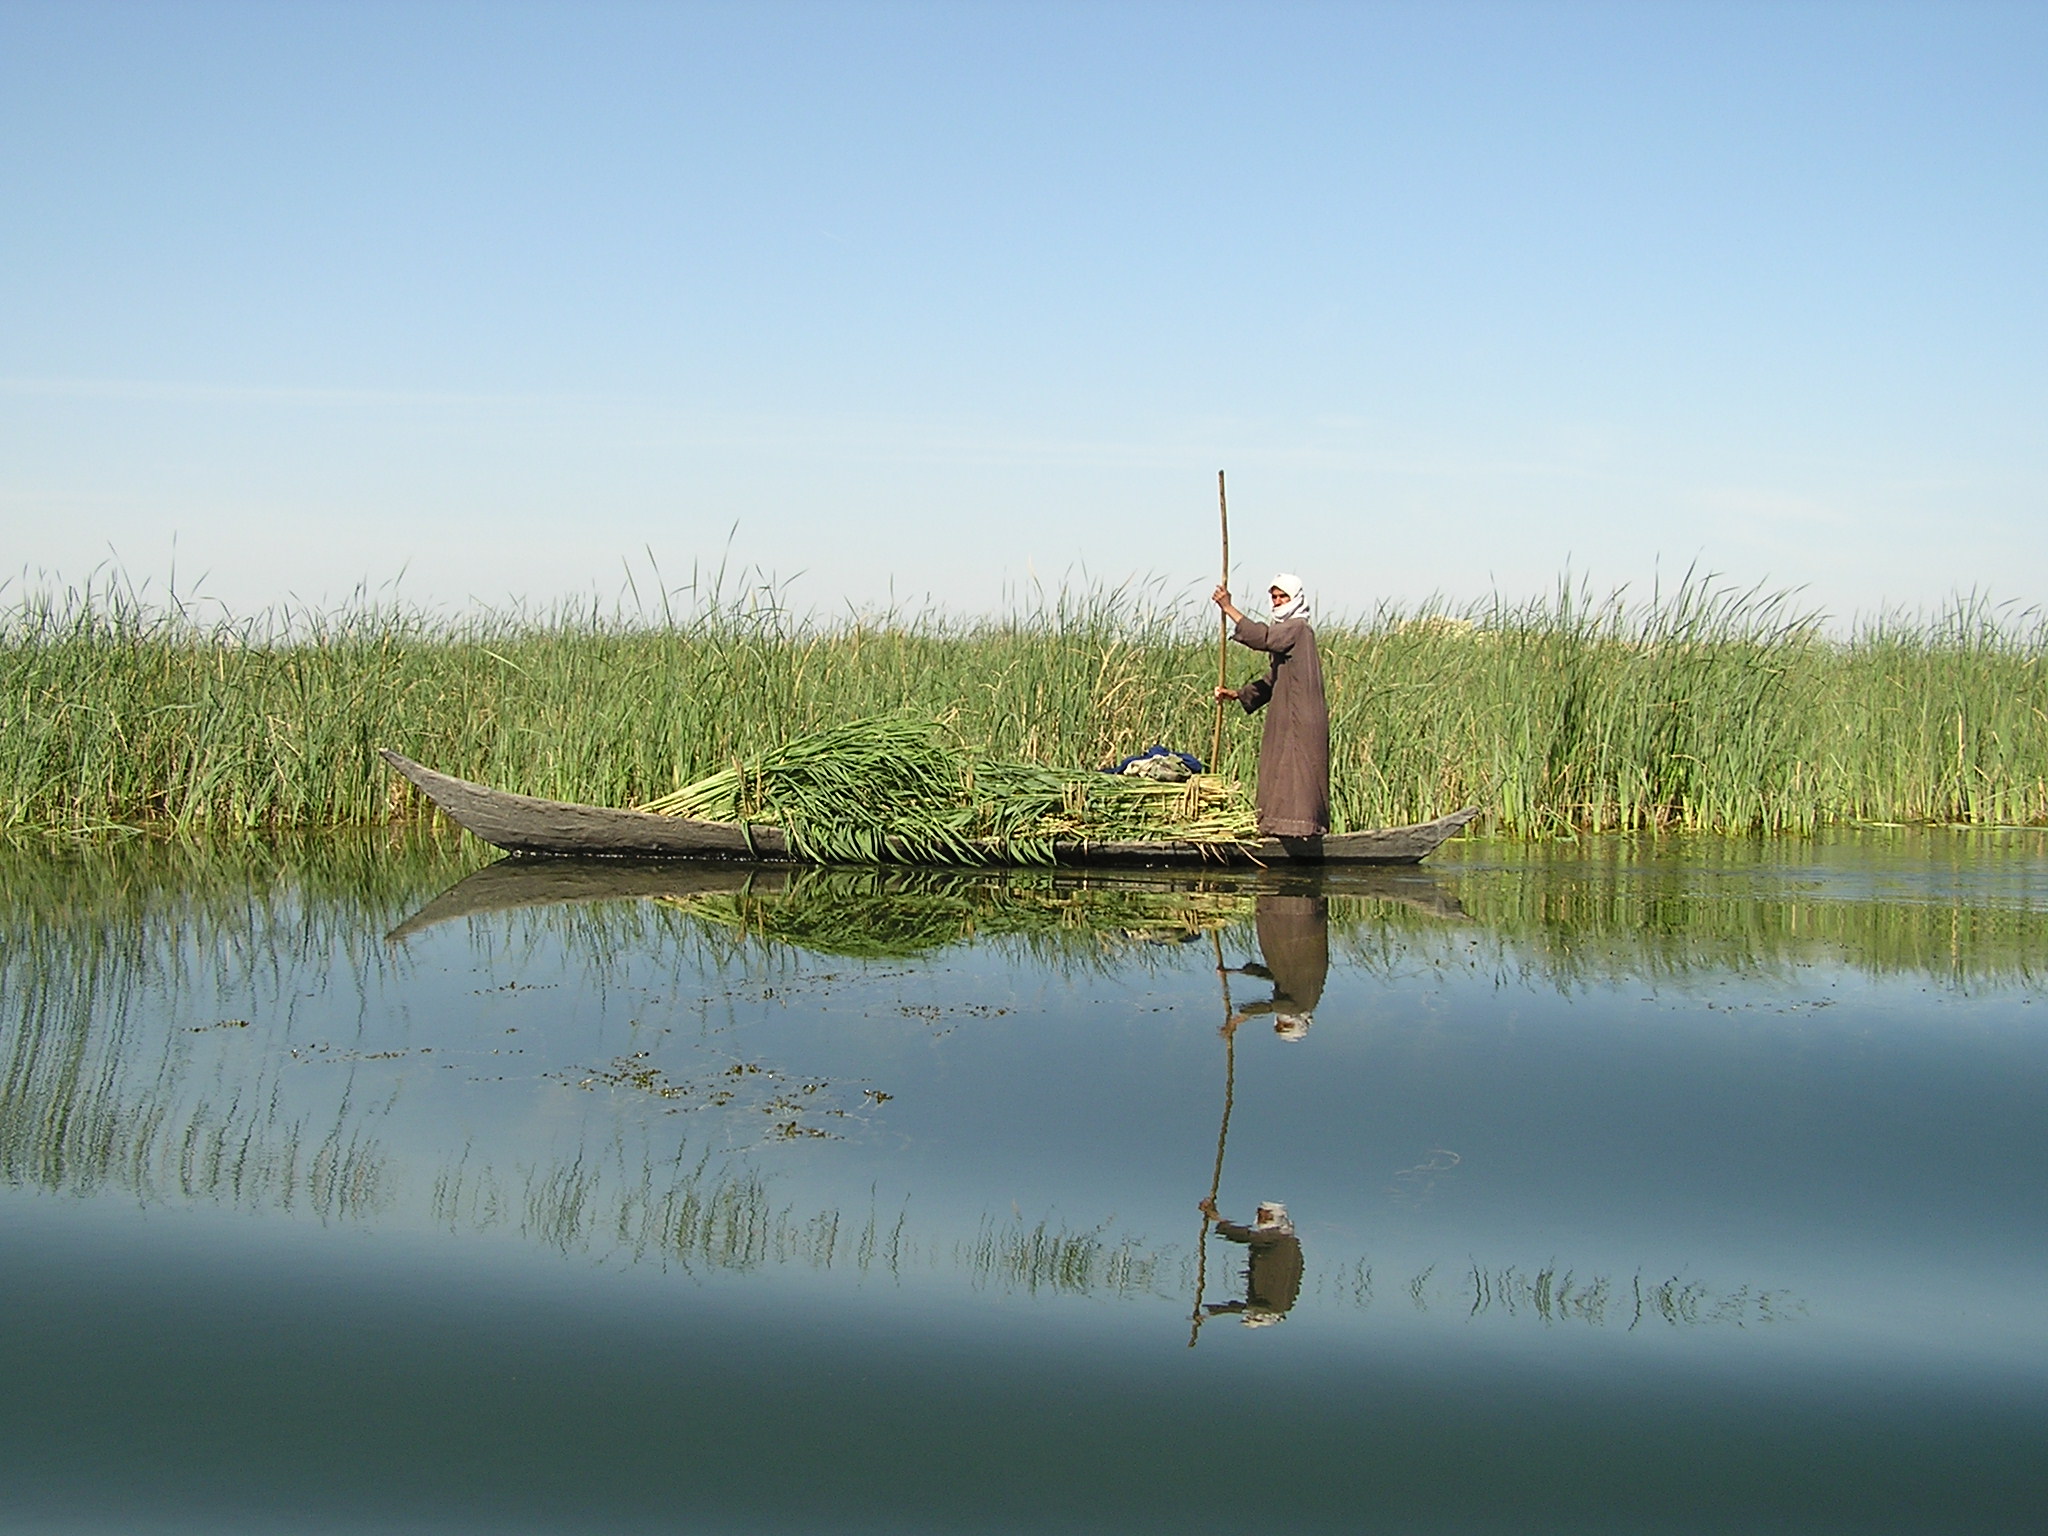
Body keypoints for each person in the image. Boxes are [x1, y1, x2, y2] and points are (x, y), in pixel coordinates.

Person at [1212, 574, 1330, 838]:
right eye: (1274, 597)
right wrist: (1239, 694)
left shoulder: (1298, 628)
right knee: (1279, 768)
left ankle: (1300, 830)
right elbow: (1272, 679)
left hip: (1301, 716)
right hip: (1288, 713)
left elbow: (1264, 637)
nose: (1277, 602)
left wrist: (1228, 608)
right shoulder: (1288, 633)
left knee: (1298, 771)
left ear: (1295, 599)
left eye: (1283, 597)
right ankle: (1277, 829)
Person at [1219, 891, 1329, 1041]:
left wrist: (1238, 971)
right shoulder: (1299, 1007)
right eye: (1286, 1025)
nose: (1281, 1021)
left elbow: (1275, 975)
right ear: (1299, 1022)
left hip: (1302, 913)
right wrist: (1239, 1018)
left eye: (1279, 1025)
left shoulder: (1301, 995)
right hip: (1295, 919)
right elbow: (1269, 1007)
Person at [1196, 1196, 1304, 1327]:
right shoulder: (1284, 1239)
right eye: (1259, 1215)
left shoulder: (1278, 1237)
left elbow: (1247, 1236)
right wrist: (1211, 1313)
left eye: (1264, 1216)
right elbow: (1245, 1308)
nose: (1259, 1219)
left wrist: (1216, 1218)